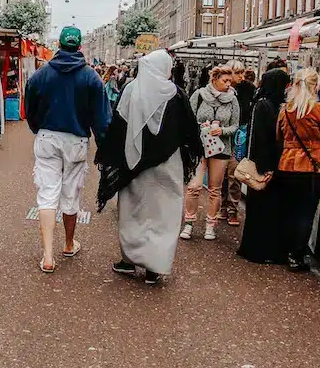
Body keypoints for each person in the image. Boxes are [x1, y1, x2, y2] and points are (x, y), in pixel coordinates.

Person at [96, 50, 202, 285]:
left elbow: (118, 126)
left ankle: (129, 260)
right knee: (163, 214)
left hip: (134, 164)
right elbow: (190, 133)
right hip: (167, 165)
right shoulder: (176, 94)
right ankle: (155, 267)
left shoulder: (131, 90)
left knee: (133, 211)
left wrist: (113, 161)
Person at [25, 26, 111, 274]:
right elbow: (102, 119)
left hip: (47, 136)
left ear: (59, 46)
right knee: (70, 194)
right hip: (75, 140)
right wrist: (104, 146)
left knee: (47, 193)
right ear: (80, 47)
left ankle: (48, 256)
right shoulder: (91, 77)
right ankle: (69, 243)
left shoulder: (41, 75)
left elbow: (29, 108)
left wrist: (37, 127)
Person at [275, 68, 320, 270]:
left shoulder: (285, 109)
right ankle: (297, 255)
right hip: (310, 167)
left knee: (290, 210)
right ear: (315, 86)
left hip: (287, 164)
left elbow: (279, 137)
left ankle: (285, 250)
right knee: (305, 212)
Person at [236, 68, 291, 264]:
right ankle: (259, 251)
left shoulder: (263, 103)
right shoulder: (265, 106)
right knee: (263, 210)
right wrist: (266, 167)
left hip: (266, 163)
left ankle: (258, 249)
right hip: (265, 165)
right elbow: (261, 138)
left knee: (261, 210)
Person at [181, 66, 240, 241]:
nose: (229, 84)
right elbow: (188, 120)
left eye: (230, 81)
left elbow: (235, 125)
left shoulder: (233, 100)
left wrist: (222, 130)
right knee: (194, 186)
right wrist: (200, 129)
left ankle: (210, 225)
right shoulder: (199, 95)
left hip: (221, 149)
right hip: (200, 147)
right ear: (214, 79)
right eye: (225, 80)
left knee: (215, 189)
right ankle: (189, 223)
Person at [222, 60, 254, 227]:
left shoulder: (248, 89)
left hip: (239, 135)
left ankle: (232, 209)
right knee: (221, 173)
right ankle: (222, 205)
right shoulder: (221, 90)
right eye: (238, 73)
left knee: (234, 172)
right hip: (222, 136)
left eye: (242, 72)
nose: (241, 76)